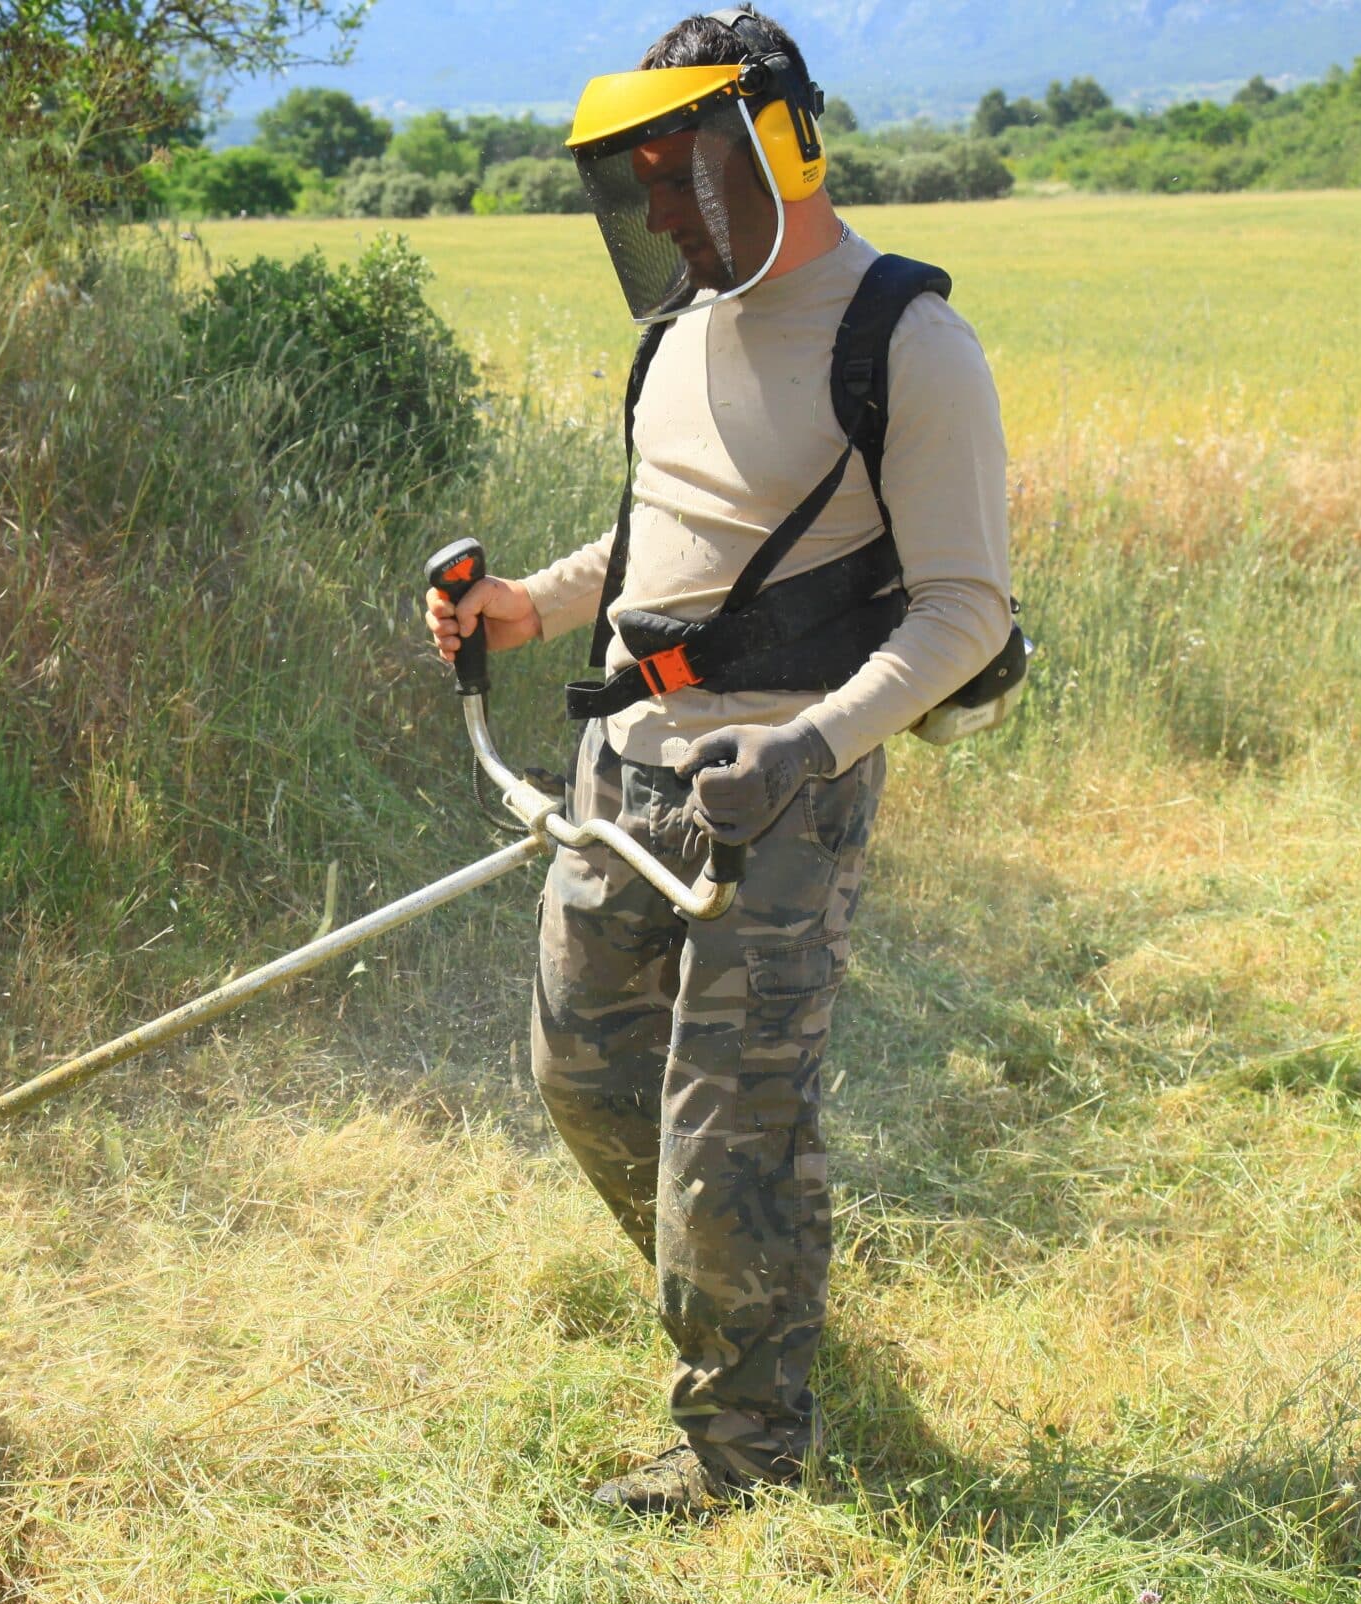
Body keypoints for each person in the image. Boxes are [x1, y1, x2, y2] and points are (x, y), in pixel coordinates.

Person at [426, 4, 1012, 1518]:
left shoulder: (909, 341)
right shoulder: (684, 327)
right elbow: (665, 538)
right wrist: (528, 606)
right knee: (583, 1077)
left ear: (778, 146)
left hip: (786, 800)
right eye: (642, 187)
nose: (662, 212)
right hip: (625, 766)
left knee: (725, 1127)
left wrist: (809, 744)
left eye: (681, 174)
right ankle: (748, 1309)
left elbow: (965, 609)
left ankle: (748, 1450)